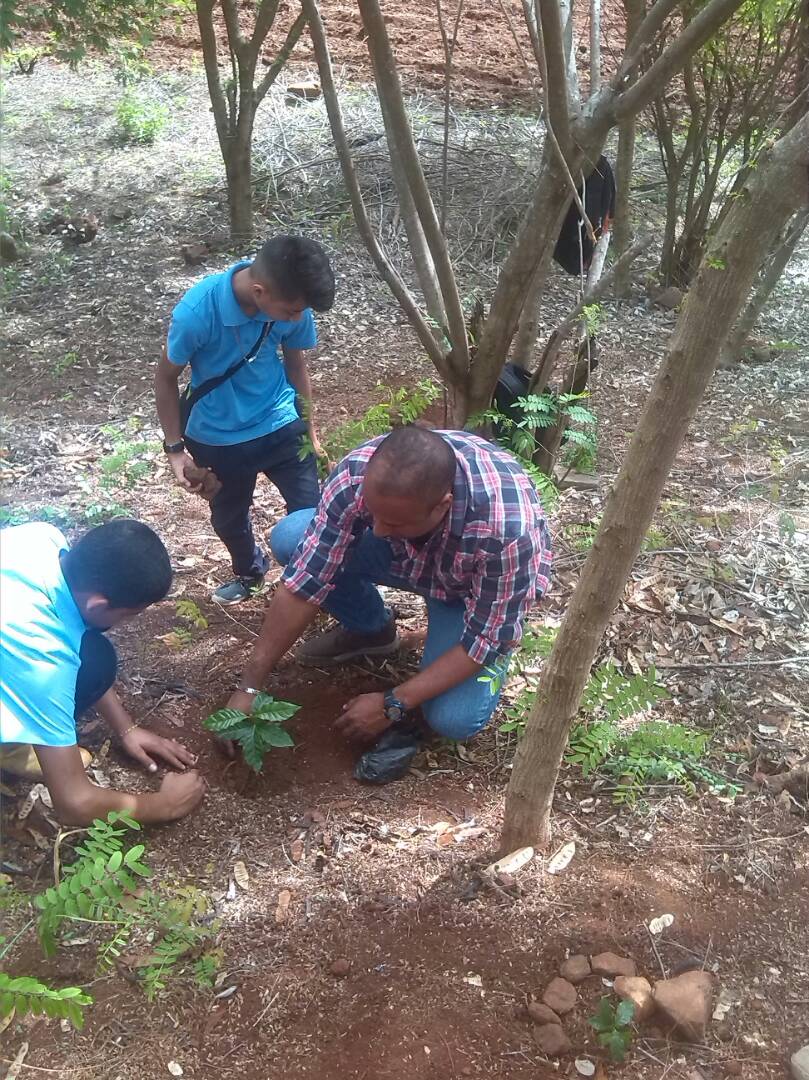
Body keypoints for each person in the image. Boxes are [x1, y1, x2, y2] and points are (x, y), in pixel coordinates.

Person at [223, 426, 552, 779]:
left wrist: (395, 701)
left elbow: (486, 640)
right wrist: (249, 686)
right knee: (292, 539)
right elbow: (305, 580)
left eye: (392, 520)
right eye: (373, 514)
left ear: (442, 506)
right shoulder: (357, 474)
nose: (376, 529)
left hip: (465, 591)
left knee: (453, 719)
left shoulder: (507, 531)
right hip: (405, 555)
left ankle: (460, 622)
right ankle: (372, 630)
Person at [155, 234, 336, 604]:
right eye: (291, 311)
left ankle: (312, 584)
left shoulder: (289, 305)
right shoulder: (197, 313)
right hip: (219, 437)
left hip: (282, 423)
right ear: (259, 291)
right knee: (228, 519)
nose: (298, 318)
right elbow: (165, 377)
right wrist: (175, 450)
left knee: (311, 516)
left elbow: (297, 365)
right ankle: (250, 572)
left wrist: (311, 432)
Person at [0, 519, 205, 825]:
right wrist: (165, 805)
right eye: (130, 614)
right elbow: (74, 802)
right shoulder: (43, 656)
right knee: (93, 659)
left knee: (93, 659)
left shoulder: (41, 538)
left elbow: (75, 638)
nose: (130, 621)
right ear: (99, 605)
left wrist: (126, 728)